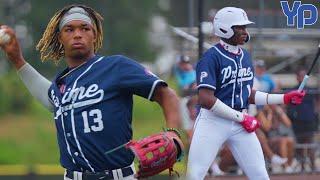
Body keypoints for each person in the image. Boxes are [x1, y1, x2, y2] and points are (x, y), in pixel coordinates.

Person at [0, 4, 181, 180]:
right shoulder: (60, 84)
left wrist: (173, 133)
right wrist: (17, 59)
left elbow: (167, 95)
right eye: (69, 29)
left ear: (94, 35)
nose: (78, 34)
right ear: (60, 38)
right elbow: (50, 100)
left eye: (85, 28)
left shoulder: (115, 67)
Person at [186, 7, 305, 180]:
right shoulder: (211, 57)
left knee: (261, 176)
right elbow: (205, 99)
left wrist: (284, 97)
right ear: (224, 28)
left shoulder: (245, 56)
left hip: (241, 123)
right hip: (213, 122)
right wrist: (242, 118)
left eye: (245, 27)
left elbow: (248, 94)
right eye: (239, 27)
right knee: (194, 175)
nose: (244, 31)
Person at [287, 68, 320, 171]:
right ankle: (301, 168)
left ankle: (313, 167)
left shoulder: (312, 90)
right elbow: (289, 106)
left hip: (310, 122)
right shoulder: (293, 90)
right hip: (298, 123)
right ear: (297, 77)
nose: (301, 78)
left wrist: (315, 114)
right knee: (300, 147)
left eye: (303, 75)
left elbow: (317, 103)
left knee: (311, 146)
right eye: (300, 75)